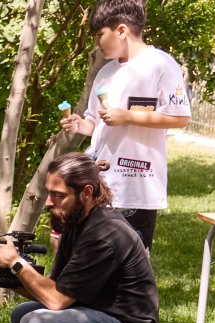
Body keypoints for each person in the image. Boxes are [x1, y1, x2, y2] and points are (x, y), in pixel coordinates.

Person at [0, 152, 159, 323]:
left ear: (86, 192)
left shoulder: (104, 233)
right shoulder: (76, 222)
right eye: (49, 193)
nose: (49, 202)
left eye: (58, 195)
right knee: (22, 314)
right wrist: (3, 273)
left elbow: (56, 300)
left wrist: (16, 263)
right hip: (99, 317)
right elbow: (54, 288)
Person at [58, 0, 191, 251]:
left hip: (137, 186)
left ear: (121, 30)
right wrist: (80, 125)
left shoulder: (161, 65)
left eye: (100, 35)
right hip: (98, 184)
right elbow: (95, 123)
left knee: (130, 266)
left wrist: (127, 116)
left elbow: (180, 117)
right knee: (91, 260)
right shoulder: (106, 72)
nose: (97, 43)